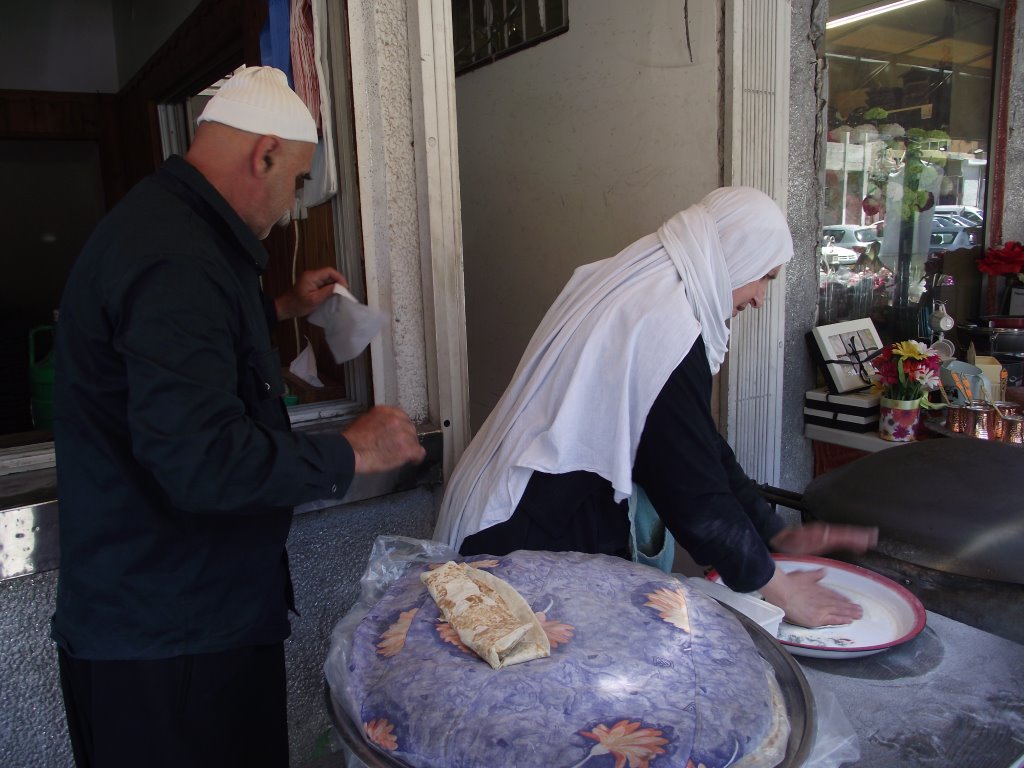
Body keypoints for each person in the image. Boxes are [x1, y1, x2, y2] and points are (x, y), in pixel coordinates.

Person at [51, 66, 425, 768]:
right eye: (299, 181)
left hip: (177, 625)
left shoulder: (169, 231)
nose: (293, 205)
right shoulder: (175, 259)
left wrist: (277, 309)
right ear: (265, 155)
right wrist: (350, 452)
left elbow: (172, 355)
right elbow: (201, 462)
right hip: (170, 650)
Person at [434, 186, 877, 629]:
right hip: (523, 543)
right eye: (766, 276)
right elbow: (692, 490)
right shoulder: (665, 325)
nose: (762, 298)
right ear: (736, 253)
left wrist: (774, 533)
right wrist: (779, 588)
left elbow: (698, 443)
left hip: (527, 513)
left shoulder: (643, 286)